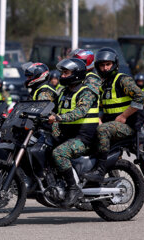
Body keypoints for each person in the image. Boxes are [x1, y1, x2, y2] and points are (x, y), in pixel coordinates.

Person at [84, 47, 144, 182]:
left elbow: (140, 97)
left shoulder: (122, 79)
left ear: (114, 64)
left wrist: (124, 116)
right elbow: (102, 108)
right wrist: (98, 118)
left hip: (128, 125)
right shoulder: (103, 84)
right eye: (102, 65)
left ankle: (100, 171)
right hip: (112, 124)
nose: (105, 68)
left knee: (102, 130)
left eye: (108, 64)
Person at [48, 58, 100, 208]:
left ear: (76, 74)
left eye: (66, 73)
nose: (62, 76)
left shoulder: (87, 91)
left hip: (83, 138)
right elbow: (52, 109)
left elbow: (80, 112)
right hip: (68, 136)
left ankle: (73, 188)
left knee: (59, 153)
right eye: (62, 73)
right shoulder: (64, 92)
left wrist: (57, 118)